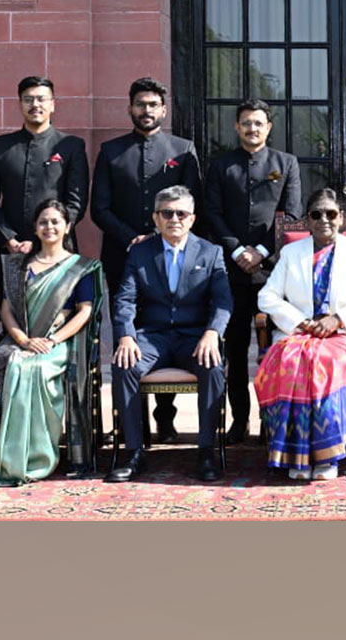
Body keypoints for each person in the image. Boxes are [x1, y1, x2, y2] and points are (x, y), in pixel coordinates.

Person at [91, 75, 204, 444]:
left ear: (163, 110)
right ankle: (130, 423)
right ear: (130, 108)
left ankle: (166, 418)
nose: (146, 110)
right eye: (140, 104)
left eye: (153, 105)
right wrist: (133, 238)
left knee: (165, 329)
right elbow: (100, 208)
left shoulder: (182, 149)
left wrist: (161, 236)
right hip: (122, 254)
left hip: (169, 254)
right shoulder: (111, 151)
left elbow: (191, 202)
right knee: (129, 336)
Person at [255, 188, 346, 481]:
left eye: (331, 214)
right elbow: (267, 297)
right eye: (317, 214)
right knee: (291, 364)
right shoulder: (292, 253)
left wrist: (339, 320)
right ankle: (298, 457)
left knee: (326, 364)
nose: (324, 220)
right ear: (307, 219)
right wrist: (301, 322)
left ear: (341, 218)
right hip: (301, 334)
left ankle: (326, 456)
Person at [0, 199, 103, 486]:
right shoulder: (20, 265)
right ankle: (2, 459)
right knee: (10, 365)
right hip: (21, 340)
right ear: (35, 228)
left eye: (56, 221)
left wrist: (52, 340)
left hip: (58, 343)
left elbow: (85, 313)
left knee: (35, 371)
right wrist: (23, 339)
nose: (49, 227)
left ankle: (38, 457)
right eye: (43, 222)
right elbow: (7, 308)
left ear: (68, 227)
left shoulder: (81, 267)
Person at [106, 186, 232, 484]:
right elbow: (124, 298)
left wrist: (213, 332)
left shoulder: (211, 252)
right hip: (153, 336)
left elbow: (223, 300)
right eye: (167, 213)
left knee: (213, 366)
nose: (174, 218)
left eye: (181, 213)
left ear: (192, 219)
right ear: (156, 218)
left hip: (194, 337)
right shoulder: (140, 252)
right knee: (124, 364)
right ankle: (134, 452)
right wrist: (126, 335)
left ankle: (206, 451)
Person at [202, 98, 302, 443]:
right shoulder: (220, 165)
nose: (252, 129)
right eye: (246, 123)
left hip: (272, 272)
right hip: (230, 272)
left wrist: (259, 251)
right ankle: (239, 419)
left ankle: (270, 420)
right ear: (237, 126)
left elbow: (290, 214)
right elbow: (211, 212)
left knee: (274, 351)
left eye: (258, 123)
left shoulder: (285, 163)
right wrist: (236, 249)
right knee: (235, 349)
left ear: (268, 127)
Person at [0, 76, 89, 295]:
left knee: (59, 313)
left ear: (52, 104)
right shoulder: (0, 146)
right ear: (20, 104)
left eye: (41, 99)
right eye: (28, 99)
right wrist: (9, 239)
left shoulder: (71, 146)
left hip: (57, 248)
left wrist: (51, 237)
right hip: (12, 250)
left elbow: (76, 202)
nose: (35, 105)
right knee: (13, 313)